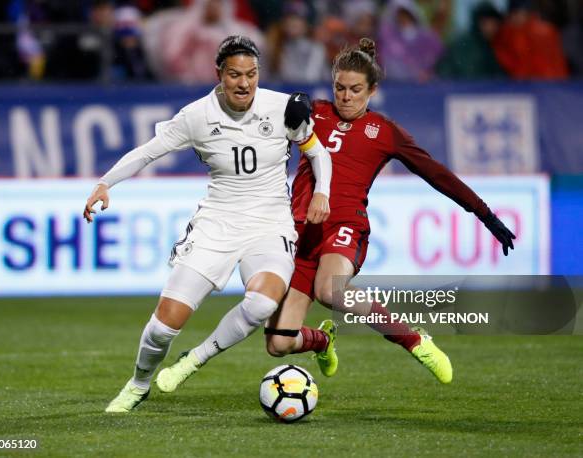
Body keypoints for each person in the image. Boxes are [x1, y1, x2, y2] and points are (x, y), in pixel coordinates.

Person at [160, 38, 516, 391]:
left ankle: (413, 340)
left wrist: (485, 215)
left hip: (344, 226)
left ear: (372, 90)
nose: (346, 97)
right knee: (279, 344)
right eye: (340, 88)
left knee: (332, 289)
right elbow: (255, 112)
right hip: (297, 233)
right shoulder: (313, 113)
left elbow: (438, 175)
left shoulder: (386, 132)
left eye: (355, 90)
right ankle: (322, 342)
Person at [83, 35, 332, 413]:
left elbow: (318, 153)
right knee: (164, 326)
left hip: (270, 224)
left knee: (263, 302)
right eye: (235, 75)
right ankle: (139, 384)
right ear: (220, 74)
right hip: (216, 223)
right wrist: (105, 183)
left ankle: (194, 360)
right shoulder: (196, 116)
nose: (244, 83)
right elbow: (148, 152)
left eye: (251, 74)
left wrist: (322, 192)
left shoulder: (283, 108)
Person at [436, 1, 506, 79]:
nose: (490, 28)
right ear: (478, 23)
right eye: (486, 23)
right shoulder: (464, 45)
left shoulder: (500, 43)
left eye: (494, 24)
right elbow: (449, 70)